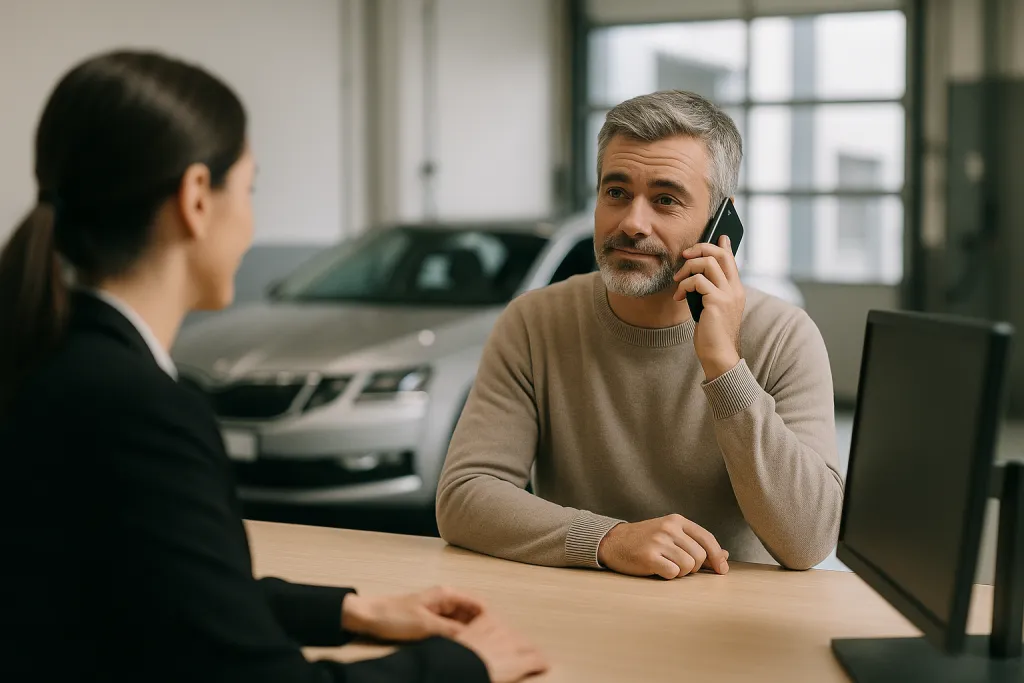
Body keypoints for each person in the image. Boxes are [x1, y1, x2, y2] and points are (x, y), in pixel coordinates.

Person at [0, 50, 547, 683]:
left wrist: (351, 611)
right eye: (249, 187)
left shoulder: (44, 359)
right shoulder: (135, 409)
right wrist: (461, 665)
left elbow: (157, 587)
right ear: (197, 197)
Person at [436, 90, 843, 579]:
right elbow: (465, 494)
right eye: (617, 193)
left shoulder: (784, 336)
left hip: (728, 622)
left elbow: (810, 540)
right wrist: (607, 539)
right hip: (575, 610)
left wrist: (725, 366)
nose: (632, 222)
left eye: (666, 200)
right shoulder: (533, 322)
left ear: (720, 224)